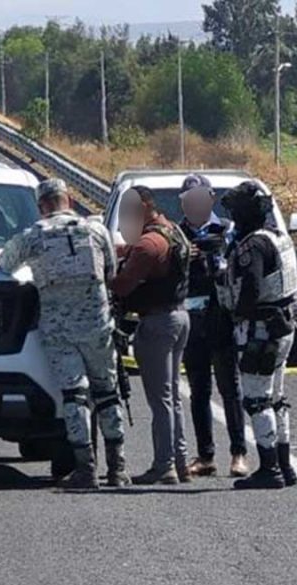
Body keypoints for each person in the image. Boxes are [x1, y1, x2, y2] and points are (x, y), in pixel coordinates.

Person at [0, 179, 130, 489]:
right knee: (108, 394)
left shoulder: (34, 236)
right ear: (68, 199)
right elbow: (111, 271)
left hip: (58, 330)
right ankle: (118, 468)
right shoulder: (96, 231)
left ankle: (86, 468)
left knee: (74, 396)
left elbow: (4, 263)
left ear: (41, 206)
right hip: (97, 325)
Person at [111, 186, 191, 485]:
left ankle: (164, 464)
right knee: (171, 397)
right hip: (179, 316)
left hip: (157, 322)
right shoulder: (172, 231)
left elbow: (122, 286)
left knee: (160, 400)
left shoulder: (148, 243)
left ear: (143, 207)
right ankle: (179, 461)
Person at [219, 181, 297, 490]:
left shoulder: (253, 246)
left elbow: (249, 290)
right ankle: (284, 464)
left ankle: (269, 468)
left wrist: (233, 305)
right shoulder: (279, 238)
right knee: (276, 398)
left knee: (256, 400)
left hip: (260, 330)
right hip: (283, 326)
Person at [178, 174, 248, 478]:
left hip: (221, 316)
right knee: (199, 389)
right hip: (191, 319)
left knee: (230, 388)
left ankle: (239, 453)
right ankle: (206, 455)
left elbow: (241, 268)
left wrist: (220, 258)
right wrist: (183, 255)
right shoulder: (176, 234)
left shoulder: (228, 230)